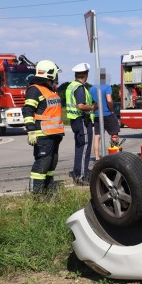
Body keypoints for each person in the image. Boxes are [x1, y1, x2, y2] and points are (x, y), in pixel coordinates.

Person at [22, 60, 64, 196]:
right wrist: (30, 130)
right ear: (49, 73)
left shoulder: (50, 89)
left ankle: (48, 191)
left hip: (54, 134)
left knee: (51, 164)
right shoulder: (35, 90)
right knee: (42, 164)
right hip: (43, 134)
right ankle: (37, 195)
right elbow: (28, 110)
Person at [65, 62, 97, 185]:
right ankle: (82, 177)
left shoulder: (70, 86)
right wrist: (93, 107)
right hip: (82, 120)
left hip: (75, 121)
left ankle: (76, 172)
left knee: (79, 148)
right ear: (86, 74)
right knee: (85, 148)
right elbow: (80, 105)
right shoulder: (79, 88)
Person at [89, 83, 120, 161]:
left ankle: (97, 158)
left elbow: (90, 102)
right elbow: (109, 100)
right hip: (108, 114)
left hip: (97, 115)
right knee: (114, 134)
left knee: (97, 136)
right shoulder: (107, 87)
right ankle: (114, 154)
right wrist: (112, 110)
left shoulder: (91, 89)